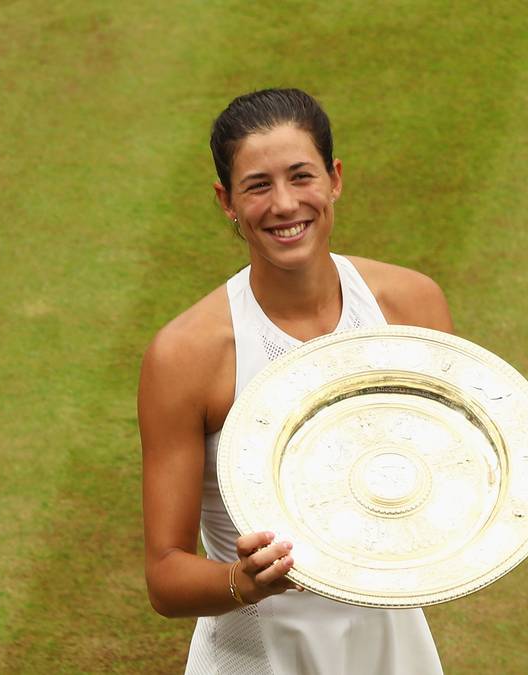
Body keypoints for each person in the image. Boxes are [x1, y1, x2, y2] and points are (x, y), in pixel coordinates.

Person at [138, 88, 453, 674]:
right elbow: (165, 576)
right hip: (255, 656)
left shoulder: (412, 306)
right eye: (258, 186)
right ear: (227, 202)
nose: (284, 204)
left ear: (335, 179)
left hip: (392, 647)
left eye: (301, 176)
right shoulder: (185, 356)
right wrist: (245, 582)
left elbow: (452, 473)